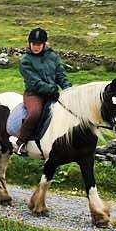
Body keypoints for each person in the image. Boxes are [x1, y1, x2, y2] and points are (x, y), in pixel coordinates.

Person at [16, 27, 71, 155]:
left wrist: (69, 90)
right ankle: (21, 142)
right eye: (34, 44)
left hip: (52, 93)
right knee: (35, 113)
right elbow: (34, 82)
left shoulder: (52, 57)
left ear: (44, 44)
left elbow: (61, 75)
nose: (36, 47)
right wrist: (52, 89)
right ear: (29, 44)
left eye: (39, 44)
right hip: (34, 94)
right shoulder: (25, 60)